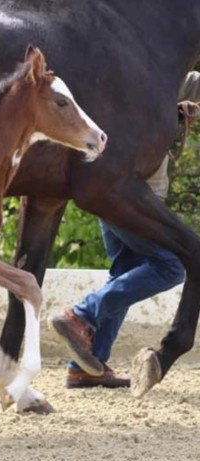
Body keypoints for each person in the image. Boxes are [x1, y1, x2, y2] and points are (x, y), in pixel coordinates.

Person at [50, 71, 200, 388]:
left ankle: (87, 366)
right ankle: (81, 314)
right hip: (133, 202)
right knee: (171, 267)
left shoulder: (133, 79)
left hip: (118, 197)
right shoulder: (159, 77)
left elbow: (190, 87)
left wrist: (178, 109)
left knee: (126, 272)